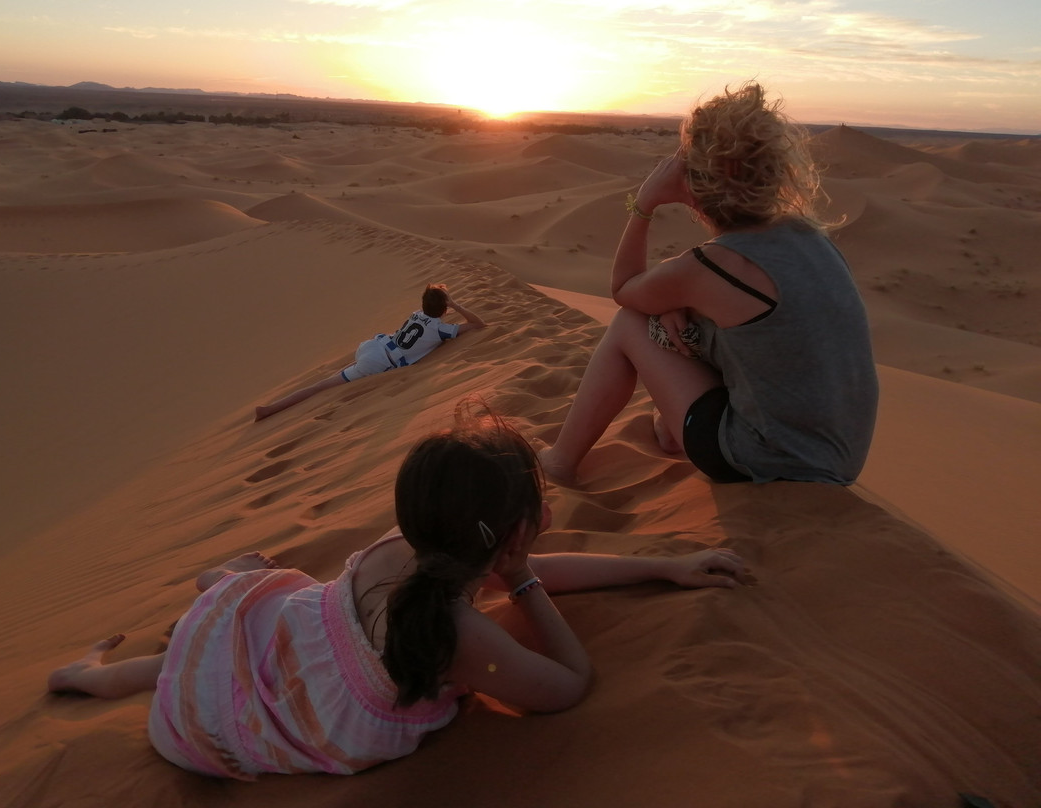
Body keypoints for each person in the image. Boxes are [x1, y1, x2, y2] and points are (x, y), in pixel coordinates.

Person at [47, 411, 749, 779]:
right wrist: (523, 578)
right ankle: (217, 594)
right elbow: (566, 684)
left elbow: (535, 567)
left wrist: (663, 568)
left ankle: (127, 657)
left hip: (296, 639)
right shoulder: (456, 635)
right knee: (225, 659)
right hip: (242, 725)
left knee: (225, 647)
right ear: (509, 534)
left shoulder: (412, 543)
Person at [539, 81, 878, 486]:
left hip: (767, 462)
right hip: (839, 459)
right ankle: (671, 428)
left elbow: (625, 288)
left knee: (630, 323)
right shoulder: (810, 236)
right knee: (688, 329)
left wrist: (644, 204)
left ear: (693, 183)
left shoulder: (716, 265)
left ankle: (559, 461)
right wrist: (675, 302)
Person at [254, 283, 486, 421]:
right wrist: (455, 304)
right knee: (321, 388)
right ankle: (269, 411)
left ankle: (271, 407)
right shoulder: (442, 330)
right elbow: (478, 324)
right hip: (378, 363)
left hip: (374, 345)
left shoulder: (417, 313)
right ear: (444, 309)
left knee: (326, 382)